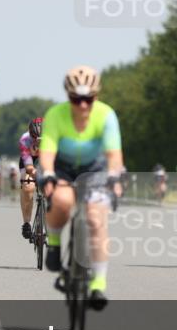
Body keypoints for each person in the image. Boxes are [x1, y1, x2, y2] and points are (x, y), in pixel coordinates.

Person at [38, 66, 124, 310]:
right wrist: (49, 175)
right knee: (63, 201)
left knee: (96, 218)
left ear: (96, 96)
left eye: (88, 99)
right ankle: (53, 243)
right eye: (77, 99)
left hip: (95, 168)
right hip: (62, 167)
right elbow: (47, 153)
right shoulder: (55, 114)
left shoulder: (106, 115)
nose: (83, 105)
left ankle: (98, 284)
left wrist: (115, 177)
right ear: (68, 97)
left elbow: (113, 155)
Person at [18, 117, 43, 240]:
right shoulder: (24, 139)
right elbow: (28, 166)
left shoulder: (54, 138)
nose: (37, 142)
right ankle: (27, 223)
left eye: (41, 140)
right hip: (29, 162)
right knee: (28, 187)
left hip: (46, 160)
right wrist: (34, 173)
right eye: (35, 139)